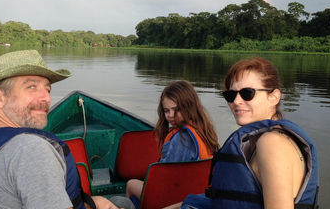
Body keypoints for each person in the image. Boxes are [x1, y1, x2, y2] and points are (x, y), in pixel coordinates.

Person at [0, 50, 134, 209]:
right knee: (124, 203)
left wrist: (90, 202)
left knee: (118, 202)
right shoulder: (30, 149)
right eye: (31, 87)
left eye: (47, 89)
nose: (46, 97)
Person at [178, 57, 319, 209]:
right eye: (231, 95)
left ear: (274, 97)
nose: (236, 101)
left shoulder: (272, 143)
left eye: (247, 93)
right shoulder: (256, 140)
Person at [126, 80, 220, 201]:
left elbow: (164, 177)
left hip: (173, 197)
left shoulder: (182, 139)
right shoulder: (204, 131)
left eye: (176, 109)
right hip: (196, 195)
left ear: (189, 107)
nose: (171, 115)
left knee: (130, 184)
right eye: (166, 110)